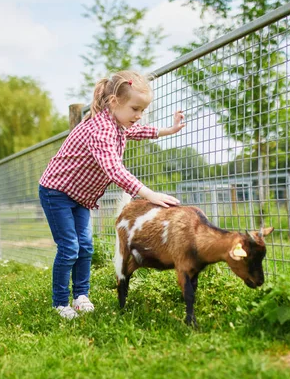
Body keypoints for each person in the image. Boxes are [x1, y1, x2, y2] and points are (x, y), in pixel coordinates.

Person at [39, 70, 186, 319]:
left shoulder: (118, 123)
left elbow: (138, 132)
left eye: (142, 110)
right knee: (69, 248)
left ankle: (81, 296)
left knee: (85, 246)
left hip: (79, 196)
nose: (138, 116)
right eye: (135, 109)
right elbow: (114, 169)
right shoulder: (101, 130)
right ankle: (59, 302)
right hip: (57, 192)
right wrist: (148, 193)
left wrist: (168, 131)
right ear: (114, 102)